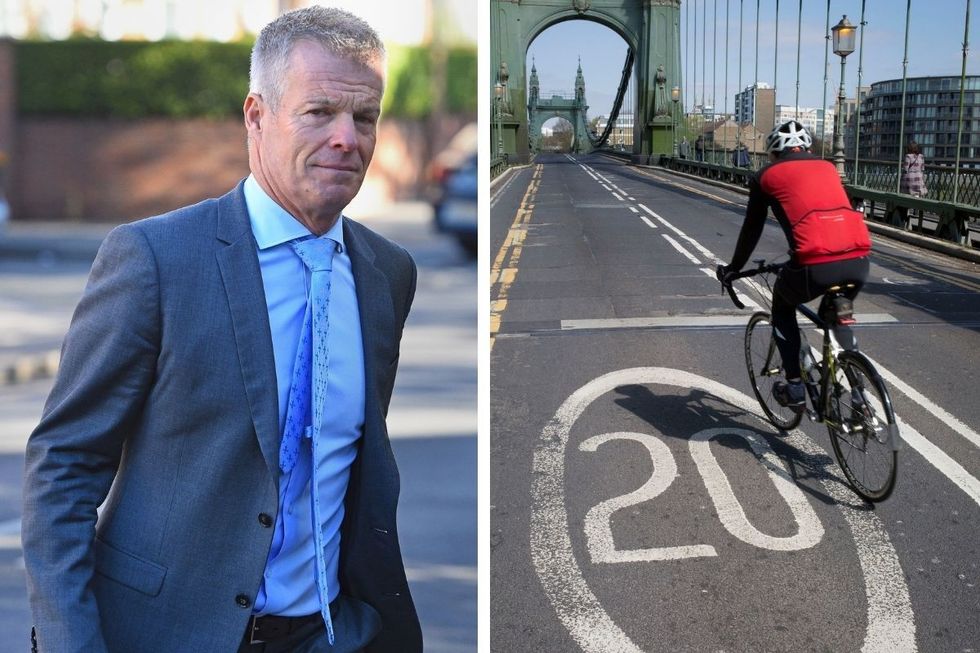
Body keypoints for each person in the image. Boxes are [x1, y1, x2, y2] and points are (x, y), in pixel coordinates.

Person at [22, 7, 422, 653]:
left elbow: (350, 474)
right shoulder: (156, 259)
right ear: (256, 116)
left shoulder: (387, 274)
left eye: (365, 117)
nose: (348, 138)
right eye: (319, 112)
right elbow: (63, 466)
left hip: (331, 634)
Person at [718, 120, 871, 412]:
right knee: (837, 315)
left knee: (782, 309)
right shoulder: (828, 168)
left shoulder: (765, 176)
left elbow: (752, 229)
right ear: (808, 147)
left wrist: (733, 268)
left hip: (814, 266)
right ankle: (860, 394)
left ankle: (795, 385)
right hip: (859, 261)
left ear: (773, 152)